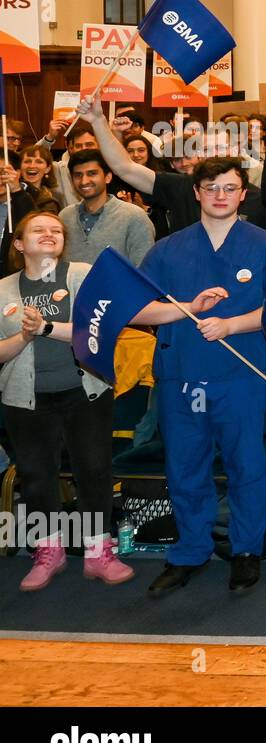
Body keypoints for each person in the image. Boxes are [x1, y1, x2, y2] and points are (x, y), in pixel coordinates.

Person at [132, 157, 266, 595]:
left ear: (244, 194)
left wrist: (231, 324)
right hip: (179, 374)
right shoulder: (167, 248)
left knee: (246, 465)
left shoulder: (265, 246)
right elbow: (139, 308)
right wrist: (190, 309)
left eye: (230, 187)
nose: (220, 195)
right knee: (184, 468)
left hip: (240, 374)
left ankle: (246, 551)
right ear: (197, 193)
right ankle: (190, 551)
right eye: (211, 187)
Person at [0, 212, 129, 590]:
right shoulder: (3, 289)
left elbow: (99, 329)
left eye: (56, 230)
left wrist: (44, 328)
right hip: (25, 399)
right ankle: (47, 551)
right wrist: (24, 338)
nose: (50, 234)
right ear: (19, 244)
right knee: (37, 478)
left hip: (85, 391)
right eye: (38, 229)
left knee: (93, 471)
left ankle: (98, 550)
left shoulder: (82, 275)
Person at [82, 94, 266, 238]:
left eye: (221, 147)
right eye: (206, 149)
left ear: (234, 150)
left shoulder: (258, 199)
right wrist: (98, 121)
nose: (214, 153)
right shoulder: (180, 186)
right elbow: (124, 167)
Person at [58, 149, 155, 266]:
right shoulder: (65, 216)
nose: (84, 181)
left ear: (108, 177)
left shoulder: (134, 217)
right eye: (78, 175)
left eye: (92, 173)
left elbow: (144, 270)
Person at [17, 145, 64, 211]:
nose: (32, 166)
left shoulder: (55, 197)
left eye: (39, 162)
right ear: (19, 167)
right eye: (27, 161)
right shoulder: (8, 193)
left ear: (47, 168)